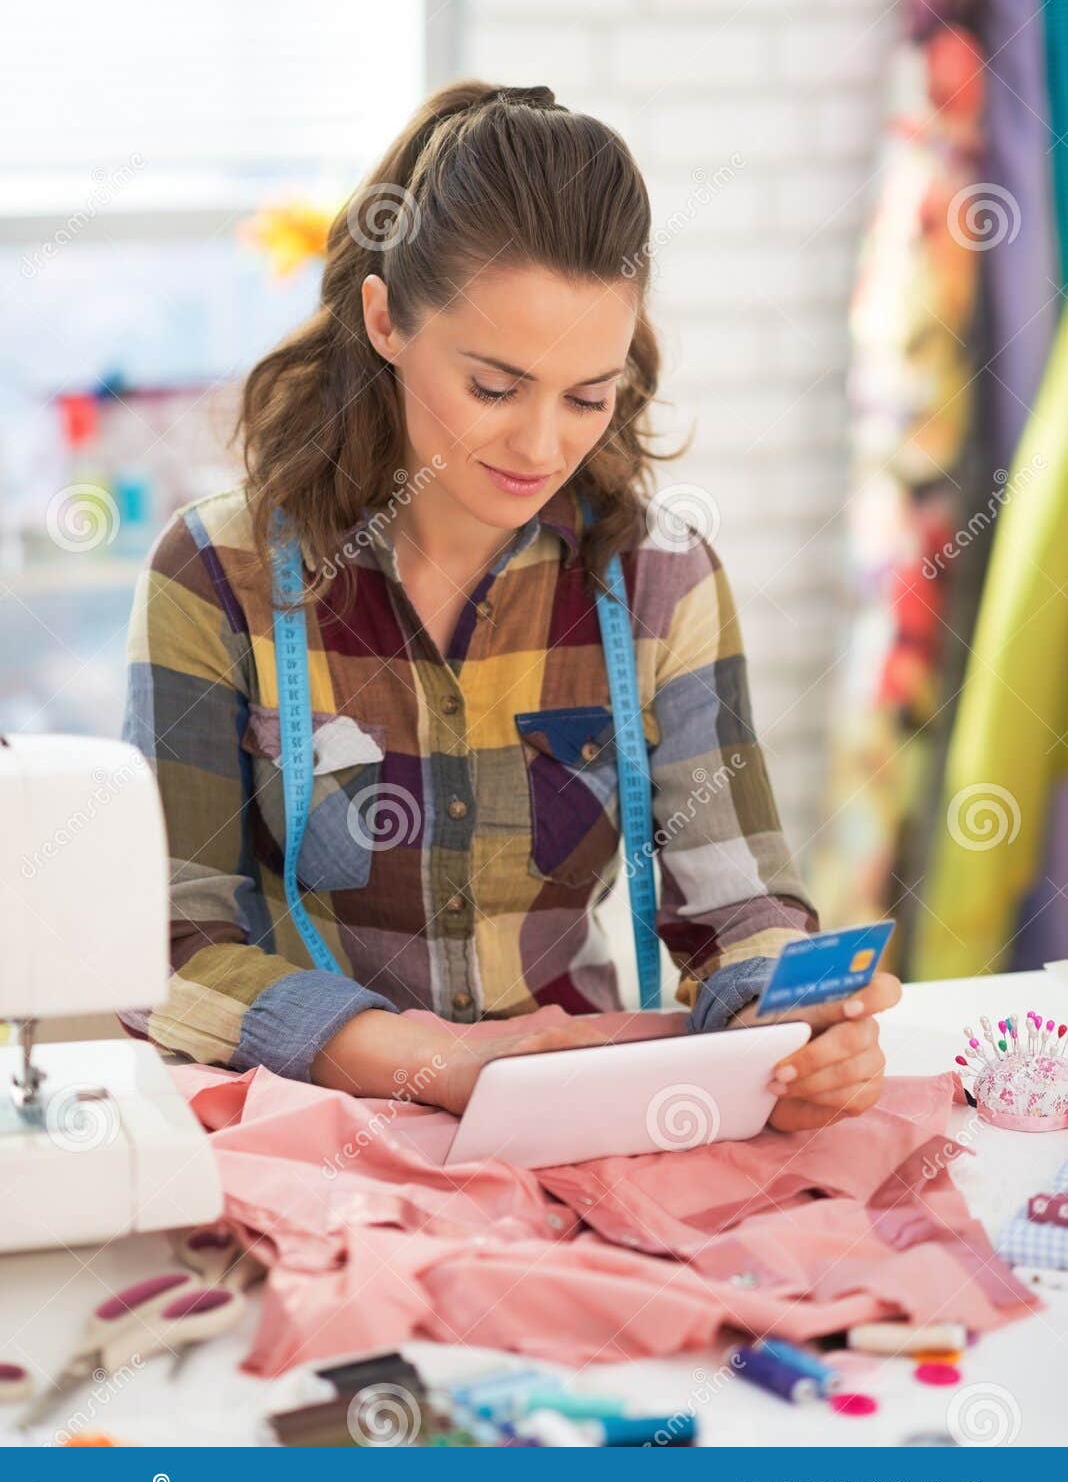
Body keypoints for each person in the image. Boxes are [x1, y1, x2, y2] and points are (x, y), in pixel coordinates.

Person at [119, 79, 900, 1132]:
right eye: (494, 387)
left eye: (589, 395)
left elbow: (737, 907)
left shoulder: (660, 580)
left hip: (575, 1115)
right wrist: (428, 1062)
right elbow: (170, 944)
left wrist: (796, 1026)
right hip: (307, 1122)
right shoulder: (218, 573)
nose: (542, 447)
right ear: (386, 316)